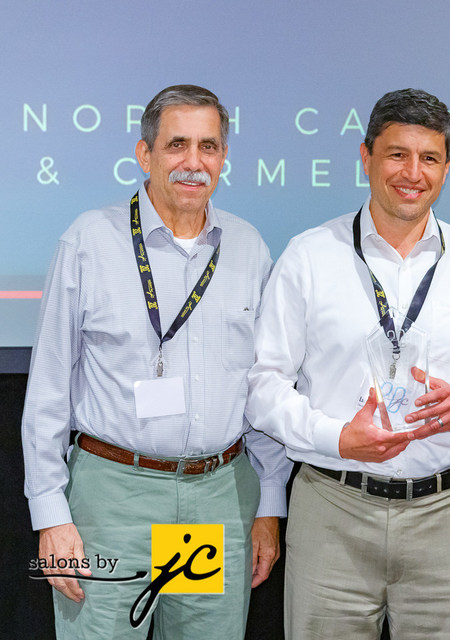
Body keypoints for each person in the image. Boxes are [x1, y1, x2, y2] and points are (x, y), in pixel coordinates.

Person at [246, 88, 450, 640]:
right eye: (396, 154)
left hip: (446, 516)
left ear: (448, 168)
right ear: (366, 158)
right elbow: (264, 387)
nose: (413, 172)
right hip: (333, 508)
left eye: (429, 158)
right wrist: (337, 437)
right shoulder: (309, 257)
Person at [21, 84, 293, 639]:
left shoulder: (247, 248)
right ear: (145, 154)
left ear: (223, 157)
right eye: (177, 145)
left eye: (209, 147)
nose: (194, 163)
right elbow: (48, 387)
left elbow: (265, 386)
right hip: (112, 499)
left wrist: (270, 503)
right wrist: (51, 515)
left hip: (216, 497)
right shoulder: (89, 241)